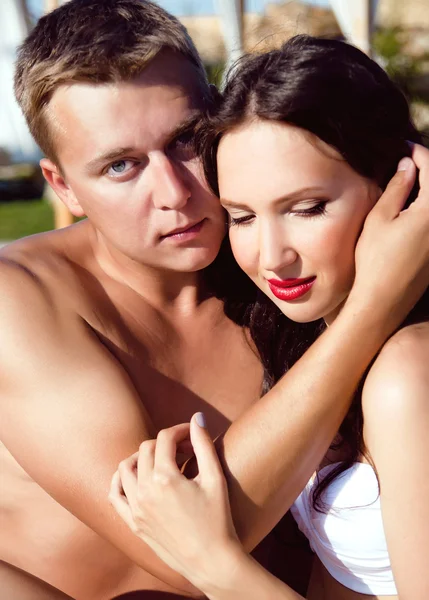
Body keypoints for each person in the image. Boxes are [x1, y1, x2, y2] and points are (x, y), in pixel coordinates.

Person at [2, 1, 429, 596]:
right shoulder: (19, 299)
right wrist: (374, 306)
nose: (174, 193)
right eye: (121, 166)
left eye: (185, 140)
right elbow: (179, 551)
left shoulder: (269, 265)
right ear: (63, 186)